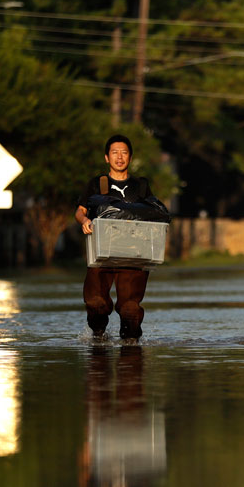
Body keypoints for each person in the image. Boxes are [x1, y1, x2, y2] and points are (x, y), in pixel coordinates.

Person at [74, 134, 158, 339]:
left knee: (130, 309)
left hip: (133, 256)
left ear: (130, 157)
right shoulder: (96, 183)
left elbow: (154, 213)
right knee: (96, 303)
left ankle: (131, 350)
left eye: (124, 153)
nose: (119, 157)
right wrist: (84, 221)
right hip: (101, 254)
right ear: (106, 157)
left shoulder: (141, 186)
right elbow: (80, 211)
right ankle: (98, 337)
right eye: (114, 153)